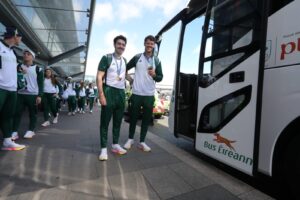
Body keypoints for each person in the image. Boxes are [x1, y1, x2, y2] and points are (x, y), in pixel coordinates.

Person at [123, 35, 163, 152]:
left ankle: (142, 142)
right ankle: (130, 139)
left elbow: (160, 77)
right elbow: (124, 68)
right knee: (133, 117)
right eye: (147, 43)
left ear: (154, 45)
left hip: (149, 95)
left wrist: (155, 75)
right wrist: (130, 80)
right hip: (136, 93)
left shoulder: (157, 60)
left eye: (152, 43)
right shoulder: (137, 57)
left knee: (146, 119)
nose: (149, 45)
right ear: (144, 44)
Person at [97, 35, 128, 161]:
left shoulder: (125, 60)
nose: (121, 46)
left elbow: (125, 75)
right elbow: (99, 77)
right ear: (114, 44)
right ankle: (103, 148)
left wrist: (136, 79)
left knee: (117, 121)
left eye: (123, 44)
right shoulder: (107, 58)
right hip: (109, 91)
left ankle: (115, 144)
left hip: (121, 93)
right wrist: (101, 94)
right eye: (119, 43)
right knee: (105, 122)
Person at [0, 27, 26, 150]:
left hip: (12, 89)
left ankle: (7, 141)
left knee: (8, 116)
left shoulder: (12, 51)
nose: (21, 39)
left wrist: (20, 66)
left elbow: (11, 65)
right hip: (1, 88)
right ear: (14, 36)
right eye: (20, 36)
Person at [11, 48, 44, 139]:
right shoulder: (18, 66)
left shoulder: (38, 69)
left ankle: (31, 130)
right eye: (24, 53)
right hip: (20, 94)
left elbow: (41, 83)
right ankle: (14, 131)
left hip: (32, 95)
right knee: (16, 113)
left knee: (32, 113)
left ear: (32, 57)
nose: (25, 55)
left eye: (28, 54)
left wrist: (39, 96)